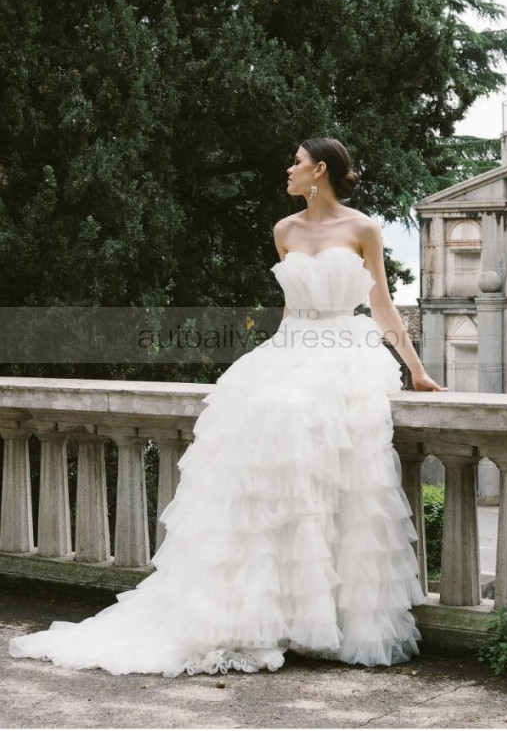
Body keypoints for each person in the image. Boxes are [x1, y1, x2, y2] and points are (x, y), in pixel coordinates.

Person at [10, 137, 445, 677]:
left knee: (315, 443)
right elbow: (291, 308)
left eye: (296, 162)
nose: (288, 169)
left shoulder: (363, 229)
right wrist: (280, 357)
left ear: (321, 171)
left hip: (345, 351)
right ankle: (253, 609)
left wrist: (417, 369)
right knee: (259, 422)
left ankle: (327, 614)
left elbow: (380, 302)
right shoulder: (284, 231)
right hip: (292, 345)